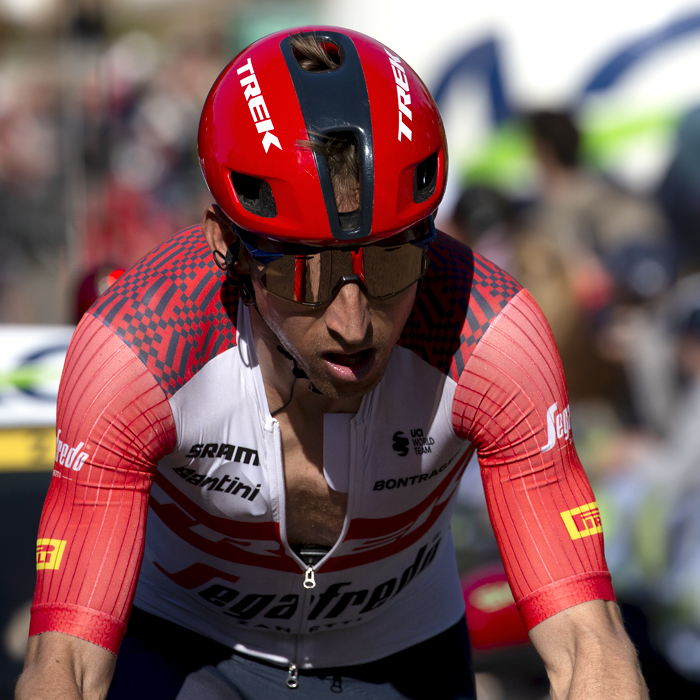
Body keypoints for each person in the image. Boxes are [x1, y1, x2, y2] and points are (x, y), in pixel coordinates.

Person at [16, 28, 647, 700]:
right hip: (184, 642)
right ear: (227, 242)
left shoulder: (492, 337)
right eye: (304, 274)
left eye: (390, 261)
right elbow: (67, 670)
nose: (353, 323)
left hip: (400, 648)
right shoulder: (139, 348)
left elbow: (590, 648)